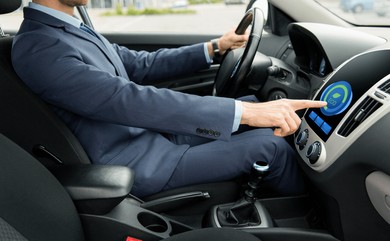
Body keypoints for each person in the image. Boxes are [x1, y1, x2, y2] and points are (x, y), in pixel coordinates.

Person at [12, 0, 326, 198]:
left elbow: (137, 65)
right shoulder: (40, 47)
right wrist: (244, 113)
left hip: (151, 138)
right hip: (138, 162)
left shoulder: (69, 29)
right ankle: (313, 220)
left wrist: (216, 47)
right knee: (267, 146)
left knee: (252, 105)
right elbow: (125, 99)